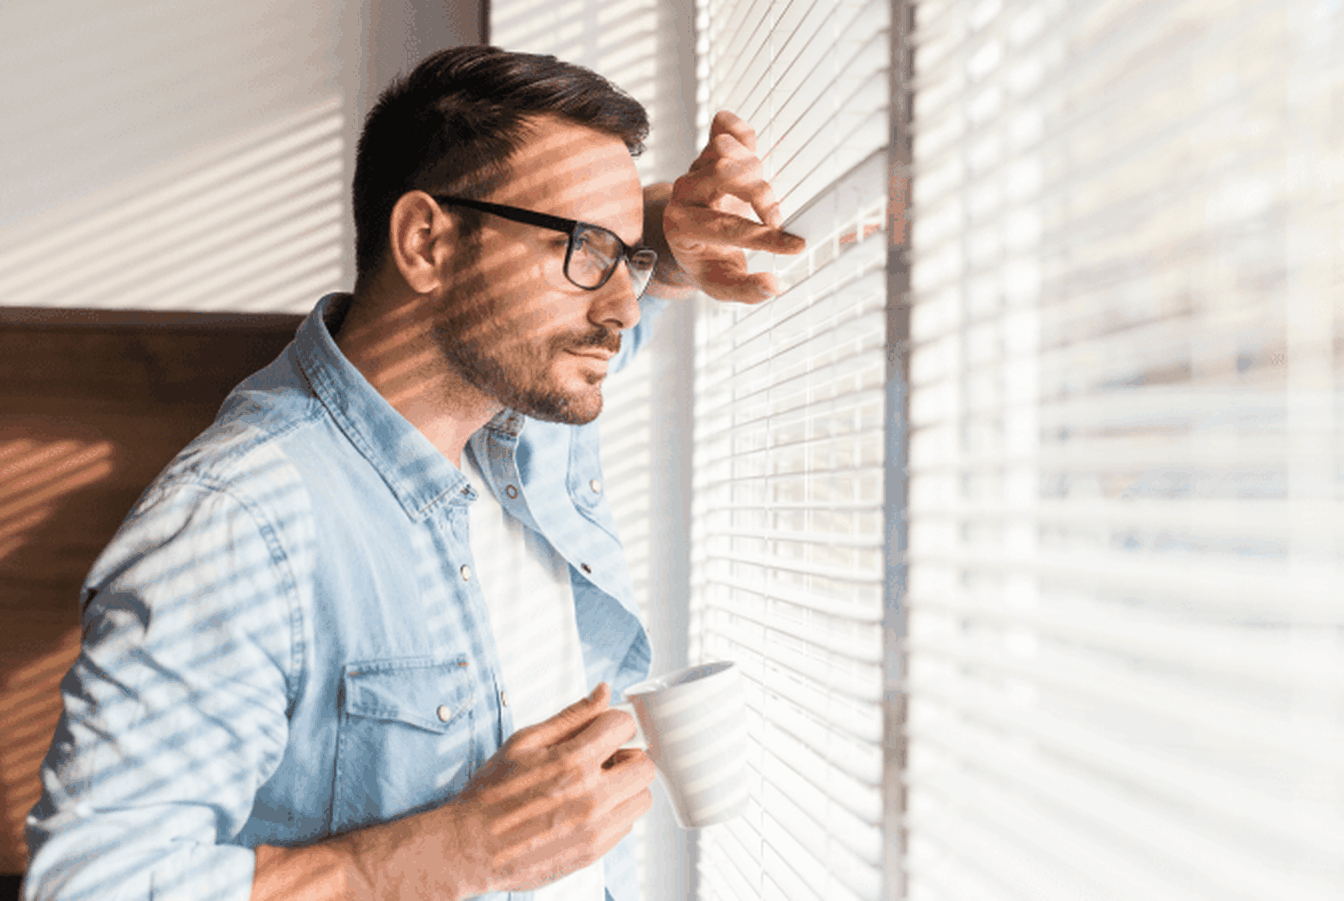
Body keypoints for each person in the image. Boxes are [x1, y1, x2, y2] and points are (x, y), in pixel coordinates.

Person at [22, 45, 803, 901]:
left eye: (626, 260)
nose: (620, 305)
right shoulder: (240, 524)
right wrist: (450, 853)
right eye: (587, 252)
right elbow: (95, 885)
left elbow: (593, 275)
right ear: (426, 242)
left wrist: (662, 234)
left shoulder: (518, 413)